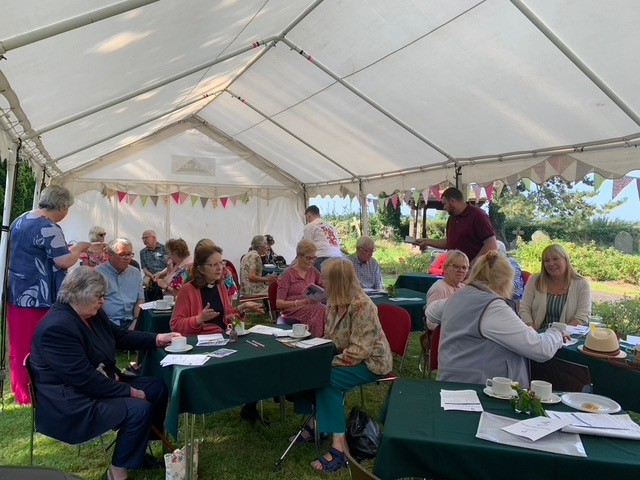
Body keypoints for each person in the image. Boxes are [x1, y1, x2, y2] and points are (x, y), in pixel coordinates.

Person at [29, 267, 179, 480]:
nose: (103, 302)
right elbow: (85, 380)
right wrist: (130, 391)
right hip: (72, 399)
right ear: (78, 294)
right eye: (98, 296)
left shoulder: (90, 313)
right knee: (139, 408)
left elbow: (119, 336)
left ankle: (136, 450)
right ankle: (117, 472)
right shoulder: (57, 327)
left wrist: (156, 339)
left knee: (156, 387)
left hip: (96, 383)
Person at [426, 251, 566, 387]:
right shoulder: (492, 307)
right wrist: (556, 333)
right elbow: (541, 349)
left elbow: (431, 311)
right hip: (482, 391)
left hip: (450, 384)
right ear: (506, 280)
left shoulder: (457, 297)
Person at [7, 185, 92, 404]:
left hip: (18, 293)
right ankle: (39, 391)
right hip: (39, 297)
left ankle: (22, 389)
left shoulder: (22, 219)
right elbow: (63, 261)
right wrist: (80, 247)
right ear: (62, 206)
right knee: (40, 344)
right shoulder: (48, 226)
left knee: (20, 343)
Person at [309, 258, 392, 473]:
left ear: (337, 281)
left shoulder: (363, 305)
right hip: (349, 355)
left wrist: (325, 364)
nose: (322, 282)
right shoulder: (335, 301)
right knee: (307, 372)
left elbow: (360, 351)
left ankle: (340, 448)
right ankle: (314, 426)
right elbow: (330, 337)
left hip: (371, 362)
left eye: (325, 278)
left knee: (328, 381)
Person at [169, 241, 265, 425]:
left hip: (222, 338)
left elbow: (226, 316)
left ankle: (250, 407)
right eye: (213, 265)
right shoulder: (187, 290)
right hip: (199, 343)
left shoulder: (221, 286)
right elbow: (175, 324)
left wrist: (242, 307)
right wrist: (198, 320)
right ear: (201, 269)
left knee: (254, 361)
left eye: (221, 263)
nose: (220, 268)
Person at [415, 187, 497, 265]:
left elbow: (491, 245)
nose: (444, 207)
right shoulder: (452, 219)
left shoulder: (478, 215)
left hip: (476, 274)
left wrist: (471, 266)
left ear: (452, 201)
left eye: (444, 203)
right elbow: (450, 242)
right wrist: (426, 241)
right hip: (456, 273)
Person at [519, 244, 591, 331]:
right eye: (546, 260)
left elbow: (582, 316)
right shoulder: (535, 280)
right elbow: (524, 307)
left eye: (555, 259)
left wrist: (561, 334)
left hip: (567, 336)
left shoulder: (582, 284)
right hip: (537, 334)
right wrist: (531, 329)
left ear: (565, 260)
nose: (551, 264)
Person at [276, 240, 326, 337]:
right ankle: (315, 341)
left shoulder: (312, 270)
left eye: (314, 258)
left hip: (311, 306)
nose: (311, 261)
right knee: (319, 309)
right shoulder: (288, 274)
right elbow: (278, 303)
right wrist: (300, 302)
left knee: (327, 309)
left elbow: (323, 283)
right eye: (308, 258)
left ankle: (325, 340)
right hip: (293, 309)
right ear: (299, 255)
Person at [96, 238, 145, 330]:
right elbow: (95, 304)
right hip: (107, 323)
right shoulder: (98, 274)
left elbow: (140, 300)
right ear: (109, 255)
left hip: (132, 321)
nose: (126, 258)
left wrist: (136, 320)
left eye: (129, 254)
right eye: (122, 254)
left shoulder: (135, 272)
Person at [424, 250, 468, 331]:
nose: (461, 270)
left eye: (464, 267)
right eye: (456, 266)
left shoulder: (464, 288)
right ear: (445, 268)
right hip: (443, 337)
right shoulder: (439, 288)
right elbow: (430, 323)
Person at [302, 205, 342, 270]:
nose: (308, 221)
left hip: (322, 258)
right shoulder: (331, 226)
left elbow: (307, 248)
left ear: (309, 215)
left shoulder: (309, 226)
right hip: (338, 259)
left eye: (307, 218)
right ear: (319, 215)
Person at [139, 230, 168, 301]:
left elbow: (169, 266)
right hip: (150, 276)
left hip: (164, 274)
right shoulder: (142, 252)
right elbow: (144, 269)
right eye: (143, 238)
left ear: (154, 238)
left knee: (165, 283)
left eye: (146, 238)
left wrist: (160, 274)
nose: (144, 240)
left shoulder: (165, 249)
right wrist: (152, 276)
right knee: (145, 283)